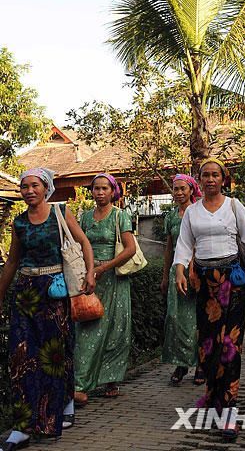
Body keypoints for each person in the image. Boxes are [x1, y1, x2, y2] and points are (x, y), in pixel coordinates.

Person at [0, 168, 95, 451]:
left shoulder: (60, 213)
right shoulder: (19, 223)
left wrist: (90, 273)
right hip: (26, 295)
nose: (29, 191)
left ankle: (60, 406)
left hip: (54, 291)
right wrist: (0, 295)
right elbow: (12, 263)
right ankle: (22, 427)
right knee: (21, 358)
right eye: (24, 187)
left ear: (46, 188)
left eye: (34, 185)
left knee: (54, 355)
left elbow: (84, 243)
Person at [174, 158, 245, 440]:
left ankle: (229, 409)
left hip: (233, 281)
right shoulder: (192, 212)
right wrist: (180, 269)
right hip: (204, 284)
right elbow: (185, 243)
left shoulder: (234, 206)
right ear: (199, 180)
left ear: (223, 179)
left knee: (230, 344)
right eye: (205, 175)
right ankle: (213, 396)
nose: (211, 179)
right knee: (208, 345)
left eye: (216, 175)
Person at [74, 173, 135, 406]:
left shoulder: (121, 216)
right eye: (96, 189)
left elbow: (130, 249)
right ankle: (81, 383)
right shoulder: (85, 217)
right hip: (90, 278)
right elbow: (78, 245)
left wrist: (105, 268)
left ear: (113, 192)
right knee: (87, 329)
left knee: (115, 330)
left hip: (114, 279)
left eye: (104, 189)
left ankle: (111, 379)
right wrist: (89, 270)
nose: (99, 193)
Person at [161, 174, 205, 385]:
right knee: (176, 319)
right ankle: (181, 363)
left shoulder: (199, 212)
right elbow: (169, 248)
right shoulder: (170, 217)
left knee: (196, 320)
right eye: (175, 189)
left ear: (191, 190)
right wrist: (164, 275)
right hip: (175, 272)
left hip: (196, 271)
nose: (178, 193)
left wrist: (194, 268)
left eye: (182, 189)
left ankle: (200, 364)